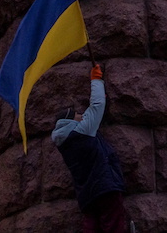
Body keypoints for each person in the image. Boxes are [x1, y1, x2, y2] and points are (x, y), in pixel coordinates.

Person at [52, 62, 127, 233]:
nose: (82, 115)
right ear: (72, 120)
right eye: (79, 115)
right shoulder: (82, 131)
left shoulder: (64, 142)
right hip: (105, 187)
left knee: (91, 226)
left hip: (86, 195)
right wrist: (96, 80)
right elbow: (97, 105)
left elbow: (88, 114)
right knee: (113, 225)